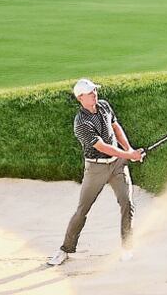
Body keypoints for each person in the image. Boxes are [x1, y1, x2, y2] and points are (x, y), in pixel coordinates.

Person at [47, 78, 144, 267]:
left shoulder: (104, 106)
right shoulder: (81, 122)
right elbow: (102, 147)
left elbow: (116, 128)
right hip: (96, 168)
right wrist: (129, 155)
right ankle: (65, 249)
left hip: (117, 165)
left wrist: (129, 149)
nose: (94, 94)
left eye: (94, 91)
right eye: (90, 92)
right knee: (82, 210)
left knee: (127, 203)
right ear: (80, 98)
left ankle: (127, 247)